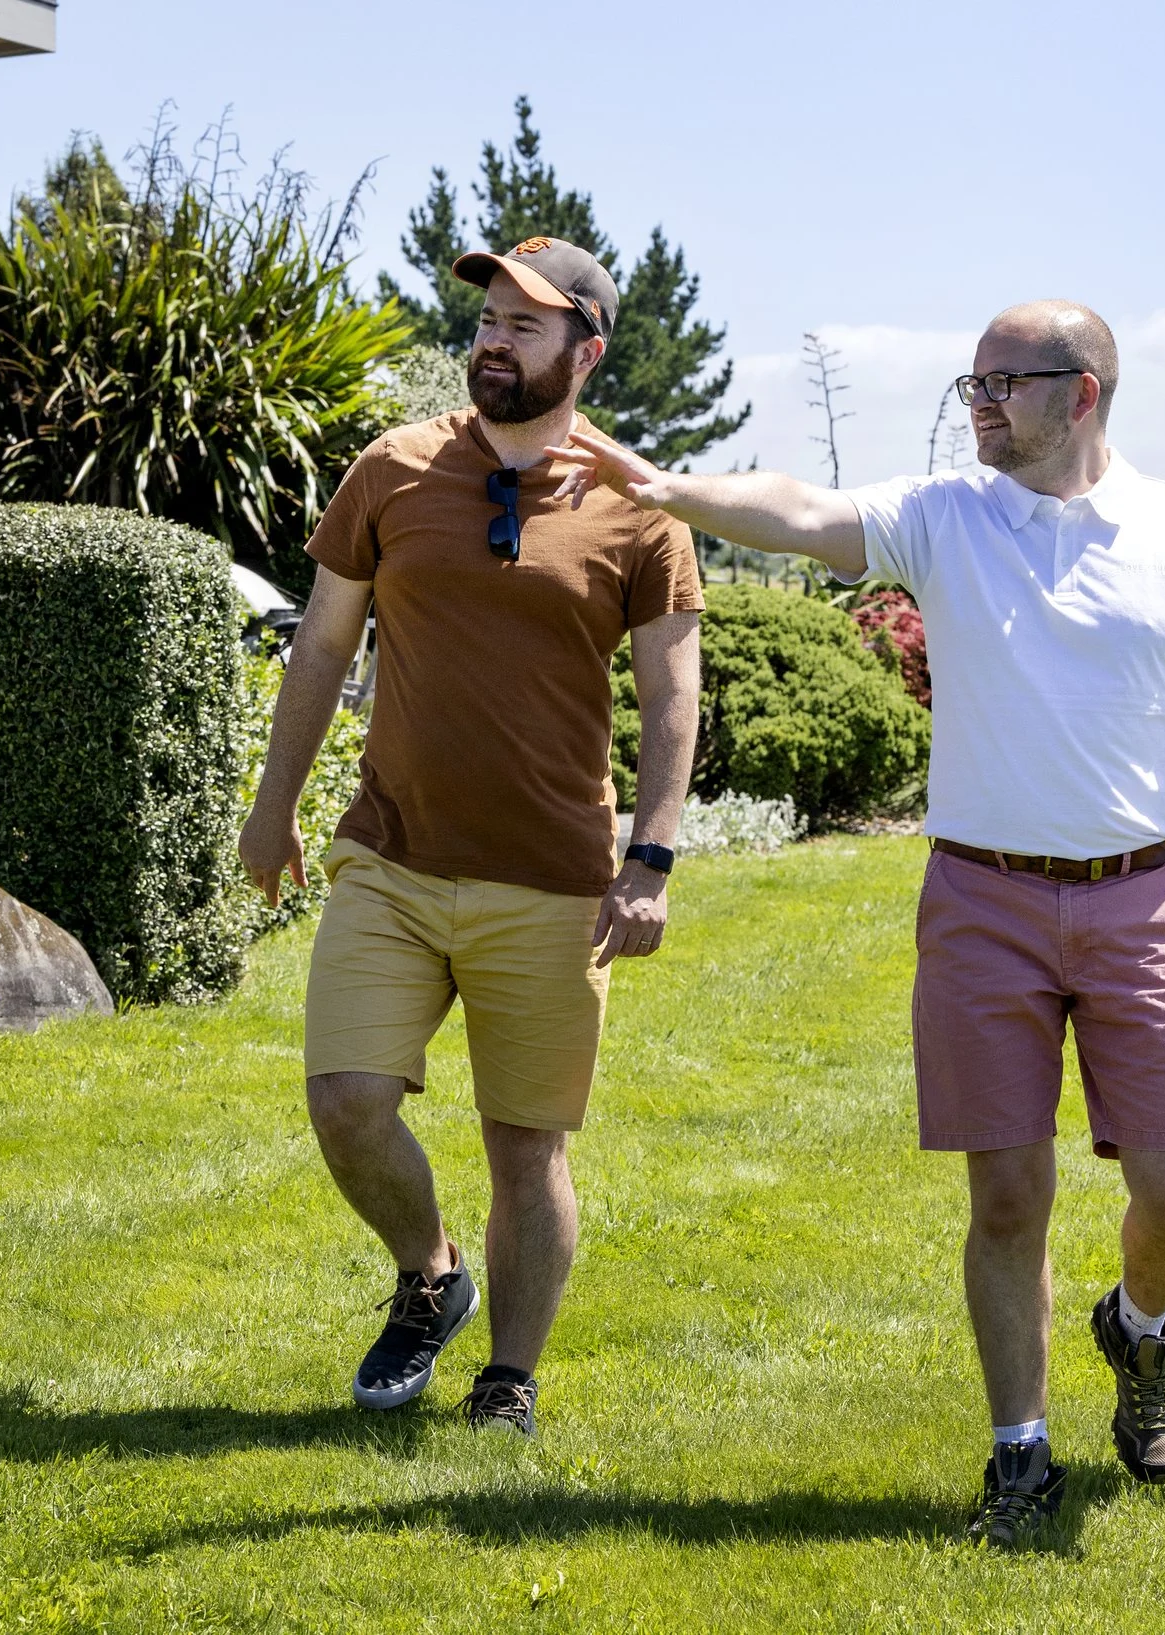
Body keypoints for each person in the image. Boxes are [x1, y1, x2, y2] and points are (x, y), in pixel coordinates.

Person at [547, 300, 1165, 1543]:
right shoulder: (945, 515)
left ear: (1080, 394)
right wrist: (667, 489)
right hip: (982, 900)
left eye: (1001, 383)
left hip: (1142, 899)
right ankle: (1018, 1453)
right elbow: (801, 511)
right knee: (1007, 1196)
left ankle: (1140, 1331)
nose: (976, 404)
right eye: (969, 382)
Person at [239, 237, 705, 1436]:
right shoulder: (393, 470)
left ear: (584, 353)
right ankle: (430, 1274)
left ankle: (508, 1379)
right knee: (346, 1101)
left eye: (523, 326)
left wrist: (648, 859)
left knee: (525, 1147)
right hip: (390, 857)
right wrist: (273, 805)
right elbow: (322, 649)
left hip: (552, 880)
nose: (492, 341)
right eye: (488, 319)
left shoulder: (639, 510)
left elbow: (671, 697)